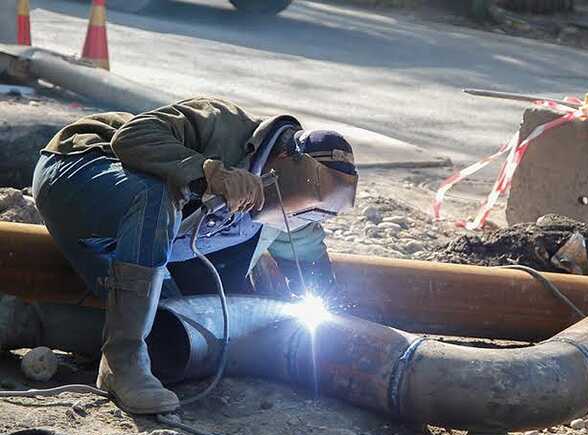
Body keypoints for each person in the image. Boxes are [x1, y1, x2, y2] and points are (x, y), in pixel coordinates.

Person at [32, 97, 358, 415]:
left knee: (183, 332)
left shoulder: (289, 215)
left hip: (126, 242)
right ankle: (122, 360)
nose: (299, 218)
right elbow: (131, 137)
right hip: (78, 170)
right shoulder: (222, 123)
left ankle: (20, 321)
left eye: (312, 215)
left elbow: (313, 271)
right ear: (284, 160)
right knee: (155, 196)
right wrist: (208, 172)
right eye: (300, 208)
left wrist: (339, 324)